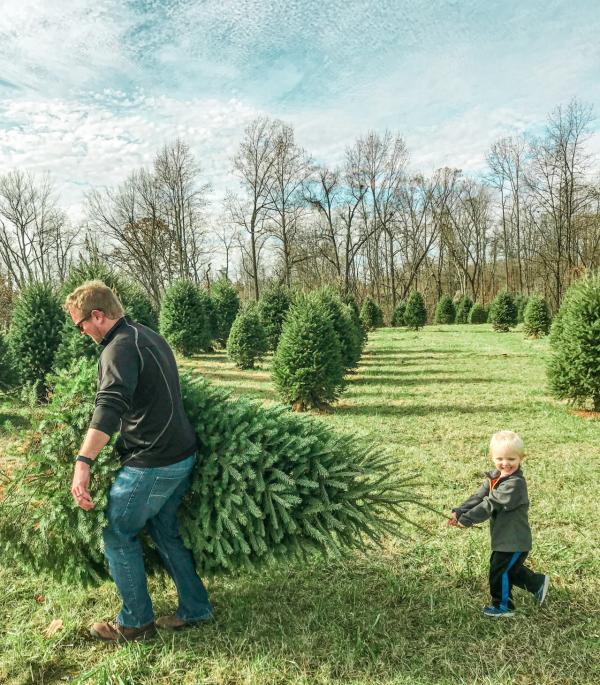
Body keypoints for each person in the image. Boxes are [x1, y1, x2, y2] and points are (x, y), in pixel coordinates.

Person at [65, 280, 213, 642]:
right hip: (182, 453)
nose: (80, 331)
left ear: (97, 315)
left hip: (155, 462)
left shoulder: (118, 349)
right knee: (164, 529)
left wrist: (83, 461)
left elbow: (109, 408)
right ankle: (196, 608)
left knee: (117, 531)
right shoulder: (146, 335)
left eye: (79, 323)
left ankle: (134, 623)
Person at [448, 430, 549, 617]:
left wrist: (467, 520)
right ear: (492, 457)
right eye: (500, 458)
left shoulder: (515, 484)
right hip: (503, 537)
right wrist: (460, 511)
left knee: (499, 571)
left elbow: (490, 504)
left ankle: (503, 606)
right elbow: (480, 496)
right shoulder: (496, 476)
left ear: (521, 458)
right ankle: (537, 583)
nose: (505, 463)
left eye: (511, 459)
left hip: (514, 539)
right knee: (508, 569)